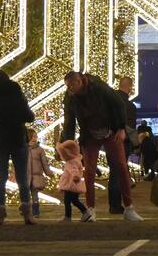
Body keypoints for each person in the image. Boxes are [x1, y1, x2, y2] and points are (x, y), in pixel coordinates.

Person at [61, 71, 143, 222]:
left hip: (110, 131)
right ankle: (91, 209)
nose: (69, 89)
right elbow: (69, 121)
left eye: (71, 85)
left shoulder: (99, 88)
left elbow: (118, 104)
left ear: (79, 82)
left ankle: (129, 207)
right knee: (89, 171)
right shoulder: (71, 97)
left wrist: (121, 128)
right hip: (90, 134)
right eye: (67, 86)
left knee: (121, 166)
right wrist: (66, 144)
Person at [0, 69, 36, 225]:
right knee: (22, 178)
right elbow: (29, 116)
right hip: (17, 138)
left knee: (1, 177)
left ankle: (0, 213)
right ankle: (27, 213)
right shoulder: (16, 92)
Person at [107, 76, 139, 215]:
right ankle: (118, 205)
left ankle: (113, 204)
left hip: (109, 141)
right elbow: (130, 128)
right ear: (130, 87)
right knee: (119, 173)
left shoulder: (109, 102)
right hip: (123, 143)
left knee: (113, 172)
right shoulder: (130, 106)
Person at [56, 139, 89, 221]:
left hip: (71, 185)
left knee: (67, 201)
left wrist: (75, 176)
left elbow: (74, 170)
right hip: (73, 184)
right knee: (74, 200)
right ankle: (85, 212)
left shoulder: (71, 161)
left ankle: (68, 216)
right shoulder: (75, 159)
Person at [27, 127, 53, 217]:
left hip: (35, 176)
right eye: (33, 136)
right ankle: (27, 211)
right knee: (26, 195)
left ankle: (35, 212)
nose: (35, 138)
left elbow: (44, 163)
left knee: (35, 195)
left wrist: (48, 172)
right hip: (26, 176)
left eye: (36, 136)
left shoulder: (40, 150)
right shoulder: (24, 149)